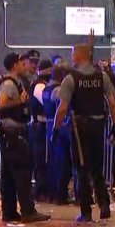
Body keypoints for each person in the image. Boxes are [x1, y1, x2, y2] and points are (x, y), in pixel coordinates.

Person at [53, 44, 115, 223]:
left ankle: (86, 212)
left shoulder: (71, 79)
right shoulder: (102, 76)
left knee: (81, 169)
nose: (72, 58)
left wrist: (56, 129)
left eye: (73, 54)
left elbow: (62, 108)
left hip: (79, 127)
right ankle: (104, 204)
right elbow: (113, 103)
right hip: (98, 125)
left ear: (78, 56)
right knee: (97, 168)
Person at [0, 53, 50, 223]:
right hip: (13, 134)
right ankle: (28, 211)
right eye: (21, 63)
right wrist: (19, 101)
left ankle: (9, 212)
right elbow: (1, 103)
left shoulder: (13, 82)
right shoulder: (9, 84)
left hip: (9, 134)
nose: (24, 66)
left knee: (9, 177)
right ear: (14, 65)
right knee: (22, 174)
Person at [43, 64, 72, 204]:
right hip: (59, 126)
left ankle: (53, 193)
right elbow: (62, 108)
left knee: (53, 162)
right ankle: (60, 194)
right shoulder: (58, 90)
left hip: (49, 124)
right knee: (62, 163)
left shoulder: (46, 89)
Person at [28, 60, 52, 202]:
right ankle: (40, 191)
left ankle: (44, 190)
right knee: (40, 160)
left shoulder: (42, 84)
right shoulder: (39, 85)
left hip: (42, 126)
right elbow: (46, 102)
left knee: (43, 160)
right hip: (39, 127)